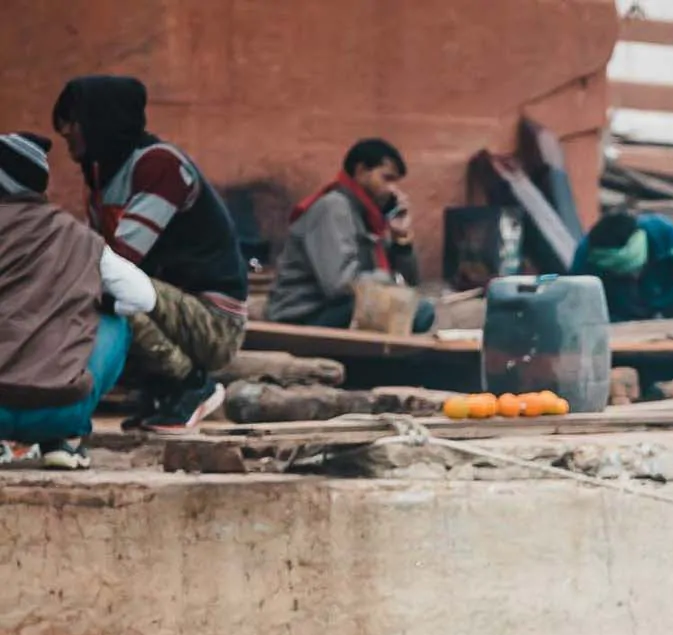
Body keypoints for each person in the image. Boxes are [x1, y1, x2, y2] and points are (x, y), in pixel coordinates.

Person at [52, 76, 248, 432]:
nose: (64, 131)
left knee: (108, 294)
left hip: (212, 320)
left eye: (72, 119)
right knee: (84, 305)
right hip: (166, 306)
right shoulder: (100, 174)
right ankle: (161, 392)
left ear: (100, 120)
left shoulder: (160, 166)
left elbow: (118, 262)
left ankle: (190, 386)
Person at [0, 131, 155, 468]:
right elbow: (143, 297)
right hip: (59, 408)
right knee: (116, 322)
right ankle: (65, 440)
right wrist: (96, 304)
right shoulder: (78, 236)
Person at [265, 138, 433, 333]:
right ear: (361, 171)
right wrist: (389, 283)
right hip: (304, 314)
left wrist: (401, 239)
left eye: (395, 182)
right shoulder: (334, 207)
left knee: (422, 310)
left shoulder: (371, 216)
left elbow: (411, 282)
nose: (393, 189)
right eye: (387, 179)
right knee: (419, 312)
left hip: (340, 307)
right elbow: (339, 285)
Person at [572, 210, 673, 323]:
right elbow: (578, 310)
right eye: (622, 273)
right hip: (620, 323)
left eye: (636, 269)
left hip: (672, 311)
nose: (633, 276)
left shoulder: (667, 237)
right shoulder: (586, 257)